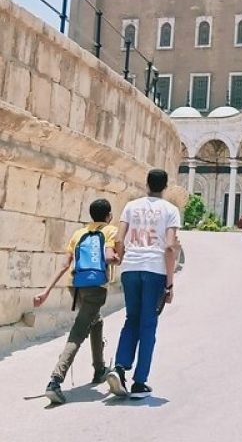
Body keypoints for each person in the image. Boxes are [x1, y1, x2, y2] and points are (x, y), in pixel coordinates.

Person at [105, 168, 181, 399]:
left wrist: (120, 257)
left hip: (130, 269)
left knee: (132, 319)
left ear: (147, 184)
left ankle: (119, 367)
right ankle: (139, 382)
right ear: (165, 186)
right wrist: (169, 284)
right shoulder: (170, 210)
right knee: (148, 325)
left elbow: (119, 238)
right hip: (154, 270)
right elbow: (169, 247)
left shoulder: (131, 206)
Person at [34, 198, 119, 405]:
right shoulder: (110, 231)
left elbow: (65, 265)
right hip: (96, 288)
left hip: (76, 286)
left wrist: (46, 292)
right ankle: (55, 380)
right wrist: (117, 257)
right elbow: (109, 258)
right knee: (79, 332)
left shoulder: (79, 233)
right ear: (109, 216)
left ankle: (99, 369)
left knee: (95, 321)